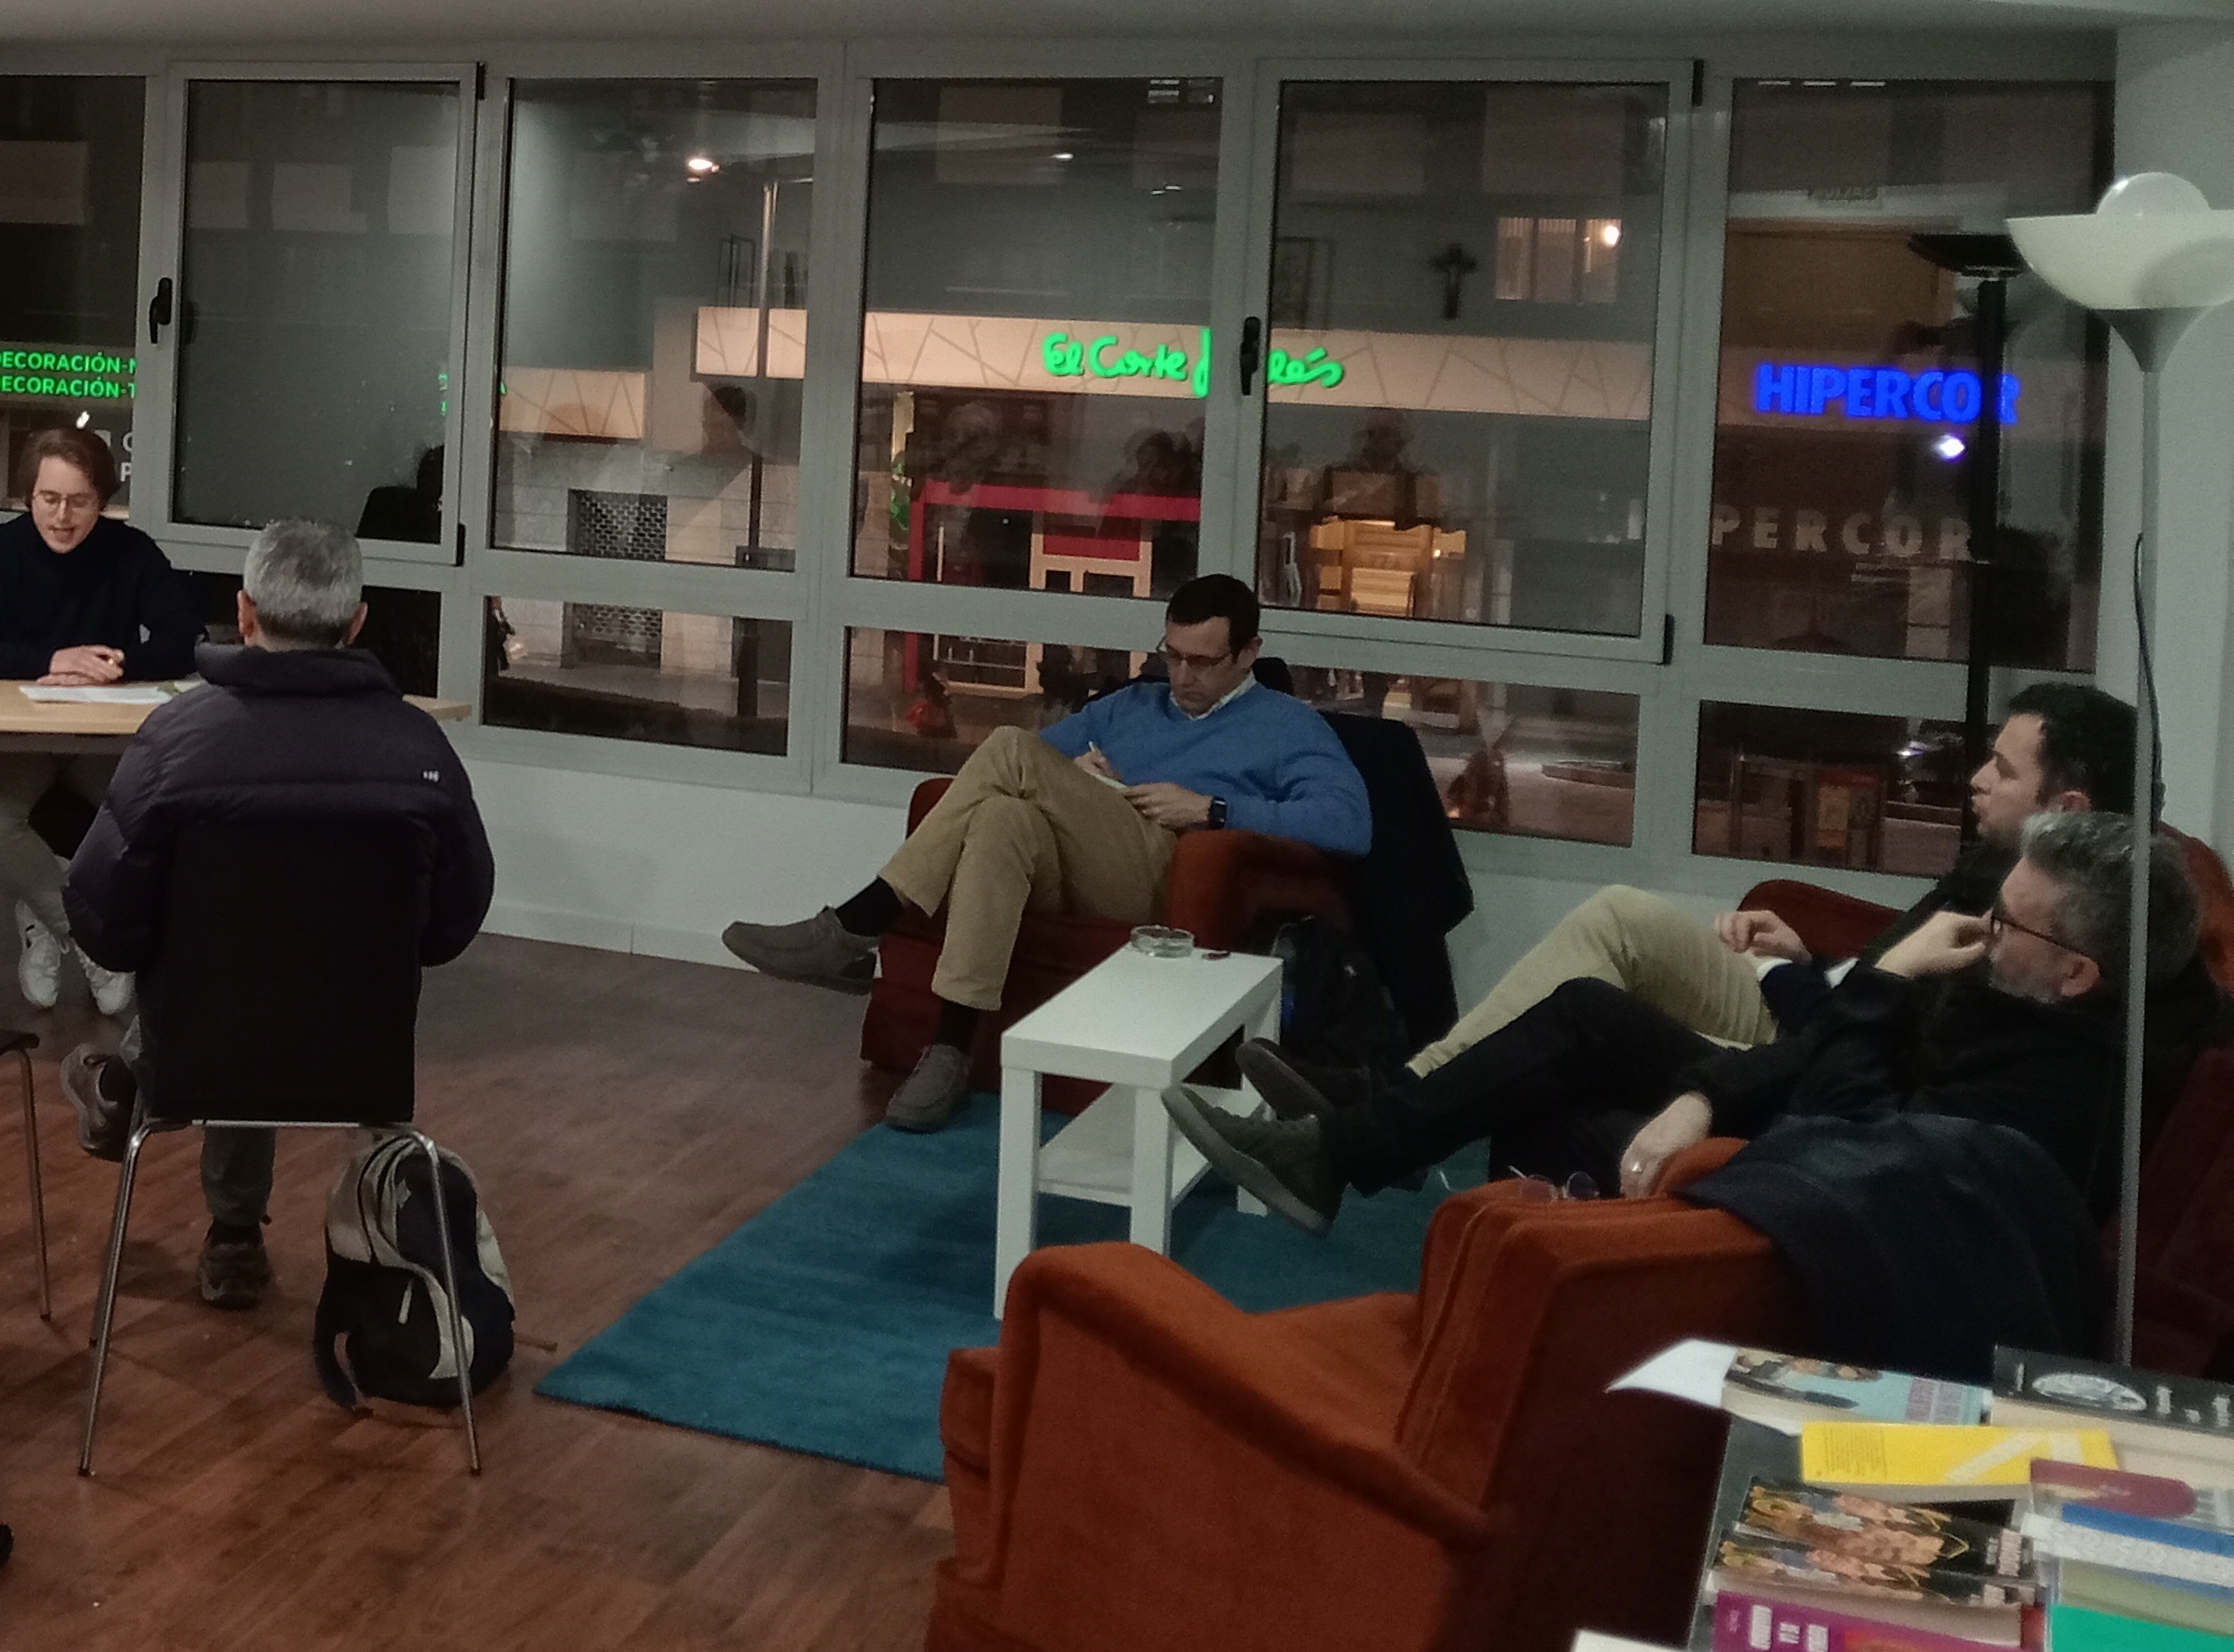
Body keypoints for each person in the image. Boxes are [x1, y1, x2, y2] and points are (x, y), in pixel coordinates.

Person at [1167, 808, 2229, 1228]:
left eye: (2008, 923)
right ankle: (1348, 1144)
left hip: (1827, 1177)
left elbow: (1852, 1131)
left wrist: (1889, 981)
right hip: (1817, 1085)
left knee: (1553, 1105)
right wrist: (1702, 1092)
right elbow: (1828, 1056)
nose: (1986, 929)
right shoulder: (2037, 979)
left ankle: (1351, 1145)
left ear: (2079, 972)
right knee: (1583, 1013)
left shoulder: (2070, 1088)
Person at [1270, 683, 2148, 1102]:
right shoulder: (1995, 863)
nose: (1977, 780)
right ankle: (1402, 1088)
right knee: (1620, 913)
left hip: (1810, 1033)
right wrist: (1811, 953)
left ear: (2067, 807)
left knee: (1593, 981)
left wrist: (1789, 978)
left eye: (2002, 769)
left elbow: (1885, 1024)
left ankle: (1390, 1102)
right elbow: (1888, 970)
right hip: (1818, 991)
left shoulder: (2039, 921)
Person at [726, 572, 1372, 1128]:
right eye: (1172, 655)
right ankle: (949, 1052)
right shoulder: (1131, 705)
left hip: (1165, 870)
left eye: (1202, 662)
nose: (1181, 676)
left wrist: (1212, 808)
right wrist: (1074, 773)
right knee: (1002, 816)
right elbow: (1024, 768)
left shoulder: (1287, 725)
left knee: (1009, 747)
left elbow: (1350, 824)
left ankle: (858, 923)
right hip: (1081, 858)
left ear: (1249, 652)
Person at [51, 520, 494, 1310]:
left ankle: (173, 1152)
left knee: (226, 983)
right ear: (357, 623)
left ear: (245, 613)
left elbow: (103, 918)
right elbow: (454, 920)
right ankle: (269, 1240)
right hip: (362, 1057)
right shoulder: (417, 749)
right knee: (277, 976)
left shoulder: (175, 741)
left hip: (199, 1053)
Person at [0, 427, 197, 1018]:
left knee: (155, 811)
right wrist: (50, 660)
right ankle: (83, 934)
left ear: (102, 500)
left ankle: (41, 907)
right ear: (27, 496)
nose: (62, 517)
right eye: (49, 499)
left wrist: (115, 665)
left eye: (79, 501)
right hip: (13, 735)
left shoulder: (131, 552)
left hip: (99, 735)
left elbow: (185, 638)